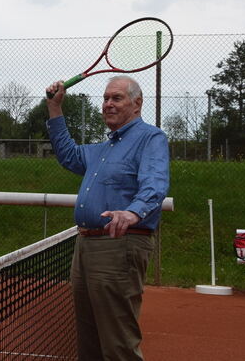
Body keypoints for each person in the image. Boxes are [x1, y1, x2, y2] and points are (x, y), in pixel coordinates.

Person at [45, 76, 170, 360]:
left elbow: (155, 183)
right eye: (105, 99)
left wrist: (133, 211)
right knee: (88, 341)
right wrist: (55, 108)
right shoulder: (102, 149)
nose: (108, 104)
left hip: (119, 244)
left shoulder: (150, 138)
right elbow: (67, 155)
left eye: (116, 98)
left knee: (117, 344)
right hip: (86, 246)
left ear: (137, 104)